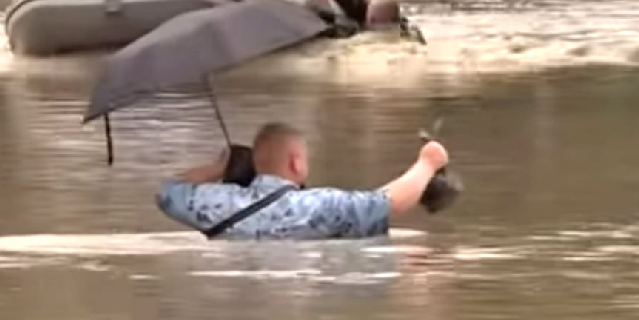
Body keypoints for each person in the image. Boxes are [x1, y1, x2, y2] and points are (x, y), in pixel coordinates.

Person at [155, 122, 451, 240]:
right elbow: (389, 203)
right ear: (295, 162)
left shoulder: (218, 204)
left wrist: (218, 168)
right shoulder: (317, 206)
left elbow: (168, 192)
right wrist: (427, 164)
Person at [302, 0, 425, 42]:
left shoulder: (404, 29)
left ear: (393, 20)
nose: (374, 24)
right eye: (373, 20)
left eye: (379, 21)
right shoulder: (359, 7)